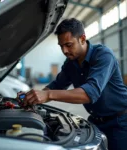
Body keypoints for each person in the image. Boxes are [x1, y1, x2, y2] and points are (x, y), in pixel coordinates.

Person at [17, 18, 127, 150]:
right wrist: (33, 97)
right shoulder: (70, 63)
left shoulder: (103, 55)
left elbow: (89, 93)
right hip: (95, 120)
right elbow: (56, 85)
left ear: (82, 38)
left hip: (120, 122)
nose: (64, 51)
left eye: (68, 45)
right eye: (61, 46)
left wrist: (48, 95)